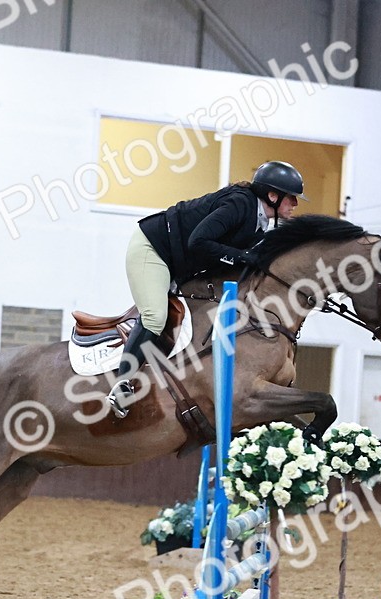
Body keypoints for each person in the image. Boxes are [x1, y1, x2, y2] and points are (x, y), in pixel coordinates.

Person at [107, 160, 306, 418]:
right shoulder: (239, 204)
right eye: (291, 197)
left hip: (181, 264)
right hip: (154, 249)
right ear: (272, 196)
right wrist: (243, 256)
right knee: (155, 316)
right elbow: (198, 241)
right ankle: (121, 384)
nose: (295, 203)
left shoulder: (261, 224)